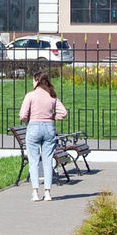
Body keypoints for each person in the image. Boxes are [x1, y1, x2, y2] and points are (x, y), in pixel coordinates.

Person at [17, 72, 67, 201]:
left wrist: (29, 118)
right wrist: (52, 117)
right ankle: (48, 192)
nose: (32, 83)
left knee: (33, 161)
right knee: (48, 160)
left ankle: (35, 192)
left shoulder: (30, 96)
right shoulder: (51, 96)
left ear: (37, 80)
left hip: (33, 127)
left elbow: (22, 115)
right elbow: (63, 113)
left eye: (33, 81)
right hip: (49, 128)